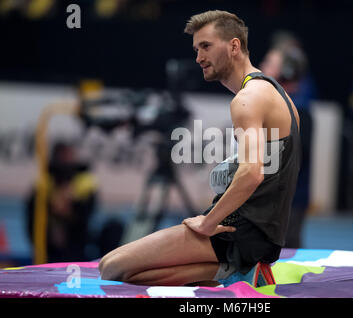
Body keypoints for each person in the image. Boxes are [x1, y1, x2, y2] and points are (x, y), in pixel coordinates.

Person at [99, 10, 300, 286]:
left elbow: (252, 174)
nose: (198, 58)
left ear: (234, 46)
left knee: (111, 266)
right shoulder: (277, 94)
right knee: (135, 276)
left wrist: (207, 224)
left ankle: (238, 268)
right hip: (261, 236)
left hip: (237, 231)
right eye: (196, 49)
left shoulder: (247, 99)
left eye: (206, 46)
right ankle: (238, 271)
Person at [260, 32, 315, 248]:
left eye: (269, 63)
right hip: (276, 195)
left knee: (284, 250)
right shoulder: (277, 103)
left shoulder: (298, 109)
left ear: (286, 72)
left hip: (289, 197)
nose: (262, 66)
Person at [26, 141, 98, 262]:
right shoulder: (44, 183)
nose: (67, 161)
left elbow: (87, 213)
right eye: (63, 156)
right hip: (48, 243)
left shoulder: (85, 182)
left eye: (70, 156)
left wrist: (70, 208)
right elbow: (32, 215)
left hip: (76, 240)